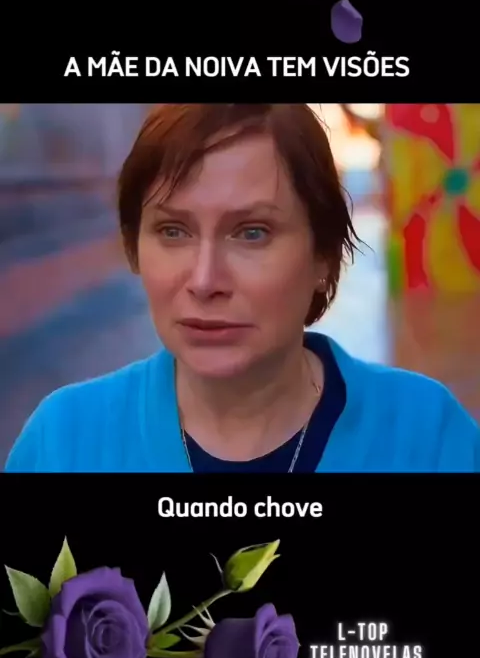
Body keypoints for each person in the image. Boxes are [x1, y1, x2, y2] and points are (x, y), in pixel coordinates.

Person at [5, 103, 479, 473]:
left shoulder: (427, 438)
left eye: (252, 232)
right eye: (173, 231)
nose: (205, 281)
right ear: (134, 249)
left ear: (323, 254)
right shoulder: (62, 445)